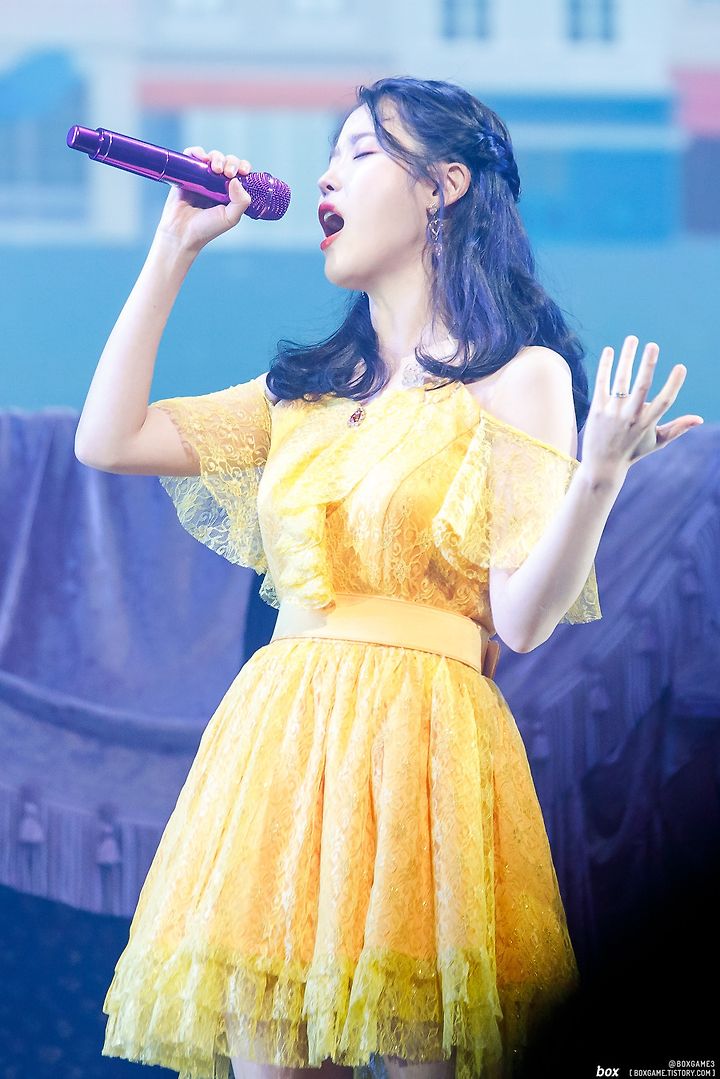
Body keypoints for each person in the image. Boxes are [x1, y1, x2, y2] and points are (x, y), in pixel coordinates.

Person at [75, 76, 702, 1079]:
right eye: (330, 154)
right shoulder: (303, 393)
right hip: (280, 744)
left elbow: (522, 620)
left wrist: (598, 475)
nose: (328, 175)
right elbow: (108, 439)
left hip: (424, 746)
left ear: (443, 186)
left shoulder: (522, 375)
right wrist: (173, 248)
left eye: (362, 151)